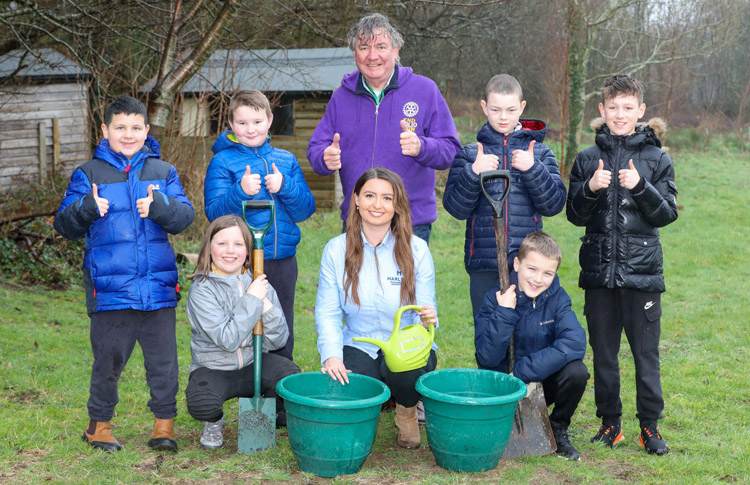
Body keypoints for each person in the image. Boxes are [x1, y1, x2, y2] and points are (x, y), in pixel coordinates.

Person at [53, 95, 195, 452]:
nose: (128, 134)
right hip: (111, 291)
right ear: (105, 130)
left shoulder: (163, 173)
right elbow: (63, 224)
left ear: (146, 130)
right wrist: (86, 207)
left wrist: (160, 206)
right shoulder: (89, 174)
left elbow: (184, 218)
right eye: (120, 127)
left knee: (164, 364)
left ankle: (164, 426)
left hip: (158, 289)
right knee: (108, 360)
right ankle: (99, 426)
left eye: (135, 128)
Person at [566, 74, 678, 456]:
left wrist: (640, 187)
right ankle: (610, 423)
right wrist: (591, 188)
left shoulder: (658, 158)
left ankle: (649, 426)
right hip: (599, 275)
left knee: (646, 355)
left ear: (641, 111)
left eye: (628, 107)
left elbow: (666, 215)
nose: (620, 114)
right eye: (612, 107)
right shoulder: (586, 159)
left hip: (642, 277)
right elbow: (574, 215)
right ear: (601, 110)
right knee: (604, 354)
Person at [307, 13, 462, 244]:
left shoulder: (425, 90)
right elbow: (316, 148)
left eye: (381, 46)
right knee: (353, 282)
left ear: (396, 49)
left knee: (407, 283)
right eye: (364, 47)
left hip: (409, 224)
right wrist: (323, 157)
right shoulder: (341, 96)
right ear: (354, 53)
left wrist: (422, 146)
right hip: (357, 223)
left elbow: (451, 151)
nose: (372, 56)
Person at [315, 168, 438, 449]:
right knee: (350, 384)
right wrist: (332, 356)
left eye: (386, 198)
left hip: (405, 342)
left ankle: (407, 410)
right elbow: (328, 312)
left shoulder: (416, 249)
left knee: (406, 372)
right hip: (360, 341)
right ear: (356, 199)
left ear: (397, 205)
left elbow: (429, 312)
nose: (377, 205)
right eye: (369, 195)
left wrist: (429, 319)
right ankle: (364, 414)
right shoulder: (336, 249)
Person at [442, 74, 566, 326]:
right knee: (489, 332)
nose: (503, 117)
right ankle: (492, 369)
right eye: (496, 109)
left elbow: (553, 205)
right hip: (484, 263)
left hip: (529, 264)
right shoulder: (470, 154)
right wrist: (473, 173)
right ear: (484, 107)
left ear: (521, 108)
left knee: (528, 332)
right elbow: (455, 208)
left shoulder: (539, 153)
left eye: (511, 110)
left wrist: (533, 169)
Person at [204, 90, 315, 361]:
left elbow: (305, 209)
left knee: (280, 321)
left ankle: (278, 387)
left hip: (282, 259)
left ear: (269, 120)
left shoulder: (286, 161)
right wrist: (240, 190)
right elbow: (214, 213)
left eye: (257, 122)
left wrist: (285, 187)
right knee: (245, 319)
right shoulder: (222, 161)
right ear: (231, 124)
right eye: (242, 123)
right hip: (243, 261)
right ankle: (246, 381)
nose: (250, 129)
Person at [184, 215, 300, 449]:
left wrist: (266, 307)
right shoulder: (202, 290)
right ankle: (214, 421)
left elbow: (278, 339)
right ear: (209, 248)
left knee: (291, 378)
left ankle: (267, 412)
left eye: (238, 244)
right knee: (202, 404)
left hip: (252, 362)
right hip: (214, 368)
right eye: (222, 243)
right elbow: (228, 340)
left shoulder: (258, 282)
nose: (230, 251)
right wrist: (252, 299)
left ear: (248, 251)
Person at [474, 232, 589, 461]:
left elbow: (574, 342)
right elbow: (486, 358)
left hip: (538, 383)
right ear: (517, 264)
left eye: (548, 273)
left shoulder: (556, 297)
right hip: (503, 384)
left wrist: (523, 371)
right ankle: (503, 421)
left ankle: (557, 428)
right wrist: (505, 312)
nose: (538, 279)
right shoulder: (494, 298)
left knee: (577, 372)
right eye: (532, 269)